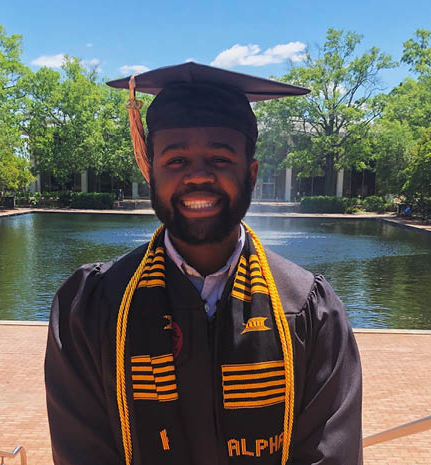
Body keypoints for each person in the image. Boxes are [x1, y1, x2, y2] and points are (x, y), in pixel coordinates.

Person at [45, 62, 362, 465]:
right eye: (176, 161)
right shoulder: (90, 309)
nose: (198, 177)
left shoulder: (310, 311)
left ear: (251, 174)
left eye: (219, 158)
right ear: (150, 170)